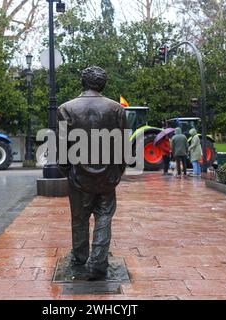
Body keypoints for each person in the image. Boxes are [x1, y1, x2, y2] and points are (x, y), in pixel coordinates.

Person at [57, 66, 127, 280]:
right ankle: (98, 261)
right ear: (103, 84)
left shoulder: (66, 108)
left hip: (79, 176)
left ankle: (80, 257)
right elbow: (124, 148)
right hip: (108, 176)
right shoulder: (116, 109)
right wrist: (116, 173)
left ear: (83, 82)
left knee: (79, 218)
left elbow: (61, 148)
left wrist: (69, 172)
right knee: (104, 217)